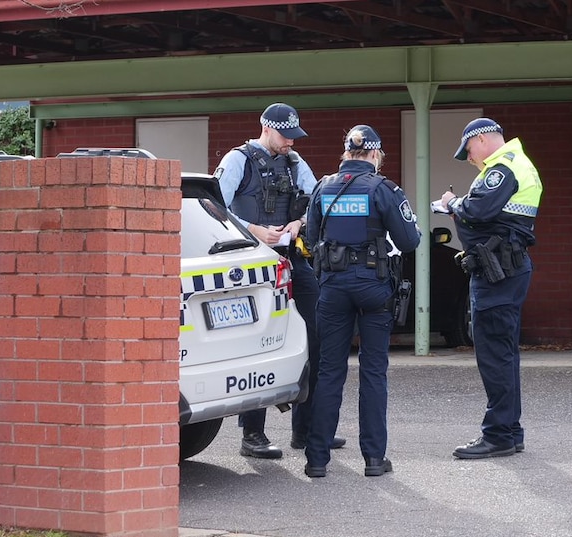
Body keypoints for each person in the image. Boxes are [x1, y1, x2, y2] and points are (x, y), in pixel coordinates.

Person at [213, 102, 345, 459]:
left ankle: (307, 431)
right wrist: (255, 230)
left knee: (316, 333)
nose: (291, 142)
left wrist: (297, 224)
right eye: (285, 135)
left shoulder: (295, 161)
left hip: (290, 257)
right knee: (257, 343)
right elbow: (215, 208)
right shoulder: (237, 160)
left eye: (294, 135)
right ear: (266, 128)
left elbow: (315, 200)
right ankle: (252, 435)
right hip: (250, 261)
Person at [303, 125, 421, 478]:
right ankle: (373, 459)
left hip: (333, 288)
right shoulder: (384, 189)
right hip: (373, 287)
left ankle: (317, 459)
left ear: (346, 154)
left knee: (329, 372)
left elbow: (310, 238)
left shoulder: (323, 187)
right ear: (375, 154)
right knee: (372, 373)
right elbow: (410, 239)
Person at [439, 118, 543, 459]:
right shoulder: (514, 164)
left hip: (497, 274)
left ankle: (497, 434)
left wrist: (452, 203)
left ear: (481, 139)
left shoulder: (503, 167)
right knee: (504, 354)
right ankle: (511, 431)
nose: (470, 159)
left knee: (495, 356)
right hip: (503, 269)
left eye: (468, 151)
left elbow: (477, 210)